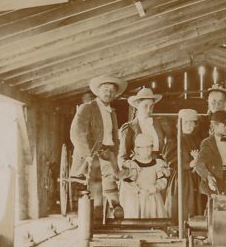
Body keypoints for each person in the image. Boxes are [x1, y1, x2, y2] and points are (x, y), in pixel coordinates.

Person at [69, 74, 126, 210]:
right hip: (92, 155)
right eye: (105, 89)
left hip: (108, 153)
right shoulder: (87, 108)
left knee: (112, 189)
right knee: (95, 191)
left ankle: (111, 220)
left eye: (112, 90)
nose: (108, 92)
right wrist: (87, 154)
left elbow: (114, 137)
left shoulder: (112, 112)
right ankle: (94, 222)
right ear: (98, 91)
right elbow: (77, 132)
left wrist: (115, 155)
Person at [118, 86, 175, 169]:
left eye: (151, 106)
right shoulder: (129, 128)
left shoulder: (160, 124)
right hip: (139, 167)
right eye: (145, 106)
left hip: (159, 167)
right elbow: (123, 157)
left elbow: (171, 142)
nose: (149, 110)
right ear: (137, 105)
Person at [195, 111, 226, 197]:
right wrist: (208, 176)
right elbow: (199, 163)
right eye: (224, 125)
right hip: (217, 183)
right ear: (215, 125)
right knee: (216, 209)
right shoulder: (207, 143)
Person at [119, 133, 170, 218]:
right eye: (142, 148)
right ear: (136, 149)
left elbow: (162, 179)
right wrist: (137, 189)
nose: (146, 150)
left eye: (149, 147)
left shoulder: (157, 163)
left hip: (152, 196)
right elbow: (127, 182)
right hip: (137, 197)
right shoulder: (132, 165)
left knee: (154, 217)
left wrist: (155, 187)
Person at [174, 108, 204, 216]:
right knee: (185, 208)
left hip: (195, 178)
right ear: (180, 124)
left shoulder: (196, 140)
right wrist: (191, 164)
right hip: (182, 180)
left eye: (192, 123)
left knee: (197, 206)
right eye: (186, 123)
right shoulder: (174, 141)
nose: (189, 126)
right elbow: (171, 162)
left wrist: (197, 162)